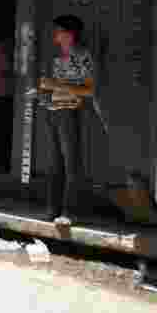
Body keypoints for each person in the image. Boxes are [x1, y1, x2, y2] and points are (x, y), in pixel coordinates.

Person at [37, 14, 95, 226]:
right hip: (53, 111)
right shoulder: (55, 57)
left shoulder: (82, 56)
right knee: (54, 164)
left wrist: (56, 86)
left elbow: (89, 89)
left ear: (69, 34)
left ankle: (70, 213)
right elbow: (50, 85)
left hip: (70, 112)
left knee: (71, 164)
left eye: (58, 31)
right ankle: (52, 209)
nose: (55, 34)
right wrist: (42, 93)